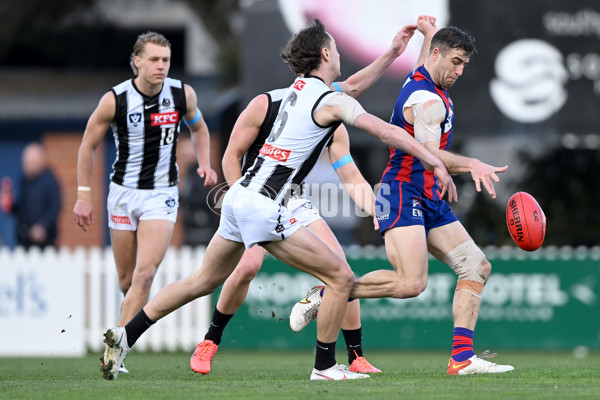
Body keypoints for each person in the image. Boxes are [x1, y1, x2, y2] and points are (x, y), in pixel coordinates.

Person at [100, 18, 453, 381]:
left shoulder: (298, 90)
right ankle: (325, 366)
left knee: (202, 280)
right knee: (340, 277)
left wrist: (393, 53)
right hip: (265, 204)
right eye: (335, 47)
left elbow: (352, 87)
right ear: (326, 52)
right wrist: (433, 161)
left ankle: (125, 336)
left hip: (240, 197)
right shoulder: (327, 100)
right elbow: (383, 130)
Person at [190, 17, 441, 376]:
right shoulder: (266, 104)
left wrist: (377, 210)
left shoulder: (329, 107)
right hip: (254, 199)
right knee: (247, 266)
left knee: (341, 271)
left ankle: (354, 356)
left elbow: (349, 172)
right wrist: (241, 204)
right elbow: (231, 157)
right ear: (320, 58)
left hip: (293, 199)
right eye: (334, 51)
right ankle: (210, 341)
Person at [290, 21, 514, 375]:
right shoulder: (426, 100)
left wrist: (426, 36)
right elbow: (432, 154)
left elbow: (425, 64)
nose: (458, 71)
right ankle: (328, 293)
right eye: (455, 61)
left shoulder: (422, 77)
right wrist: (471, 164)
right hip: (401, 193)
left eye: (464, 65)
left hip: (428, 195)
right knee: (412, 283)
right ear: (438, 55)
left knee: (476, 266)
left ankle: (462, 358)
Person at [72, 31, 217, 373]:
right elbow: (86, 146)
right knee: (127, 280)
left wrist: (205, 162)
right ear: (137, 61)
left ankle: (115, 354)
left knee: (145, 272)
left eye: (165, 60)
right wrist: (83, 196)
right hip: (123, 194)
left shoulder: (182, 94)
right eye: (153, 59)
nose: (161, 66)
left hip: (162, 194)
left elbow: (199, 128)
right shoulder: (115, 100)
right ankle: (122, 335)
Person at [0, 142, 61, 248]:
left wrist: (43, 225)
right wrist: (10, 206)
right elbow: (21, 211)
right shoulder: (24, 181)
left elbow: (55, 206)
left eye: (31, 162)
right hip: (24, 239)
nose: (28, 165)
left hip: (45, 240)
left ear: (40, 161)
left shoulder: (49, 181)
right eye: (26, 162)